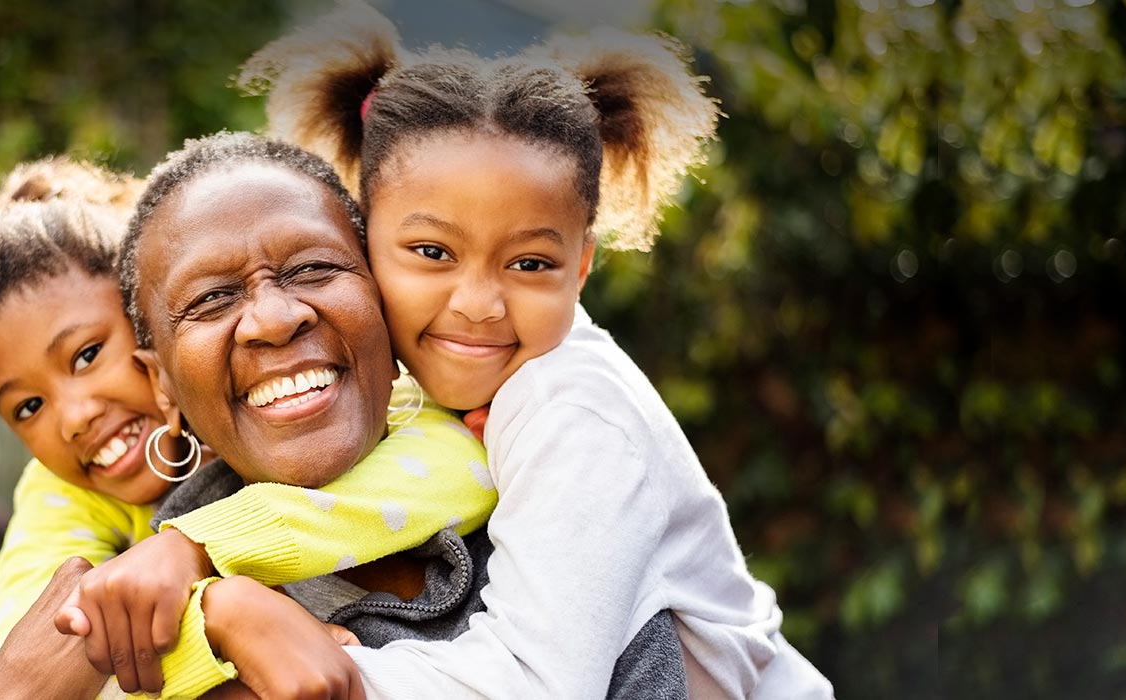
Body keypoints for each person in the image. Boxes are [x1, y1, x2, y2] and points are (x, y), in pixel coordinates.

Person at [226, 3, 835, 698]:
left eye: (531, 265)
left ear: (580, 268)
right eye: (433, 252)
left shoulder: (572, 412)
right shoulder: (391, 388)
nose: (479, 303)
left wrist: (323, 666)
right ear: (361, 243)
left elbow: (535, 683)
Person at [109, 131, 690, 700]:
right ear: (162, 384)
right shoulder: (145, 618)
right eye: (210, 299)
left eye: (313, 268)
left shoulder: (549, 476)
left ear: (384, 300)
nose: (275, 318)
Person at [0, 156, 498, 698]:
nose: (75, 415)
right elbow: (37, 664)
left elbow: (459, 466)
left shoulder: (398, 402)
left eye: (88, 355)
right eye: (27, 407)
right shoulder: (58, 493)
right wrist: (216, 622)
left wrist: (201, 549)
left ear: (145, 332)